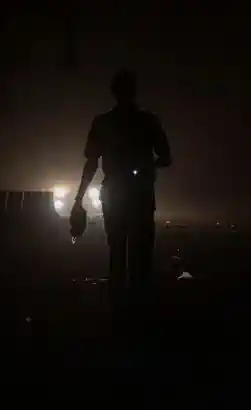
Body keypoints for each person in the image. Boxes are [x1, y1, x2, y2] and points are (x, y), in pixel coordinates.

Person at [71, 69, 172, 312]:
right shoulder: (147, 121)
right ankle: (138, 311)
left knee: (117, 252)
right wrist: (146, 167)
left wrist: (79, 199)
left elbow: (91, 163)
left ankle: (119, 308)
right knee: (140, 256)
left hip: (115, 192)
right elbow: (166, 157)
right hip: (139, 193)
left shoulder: (103, 123)